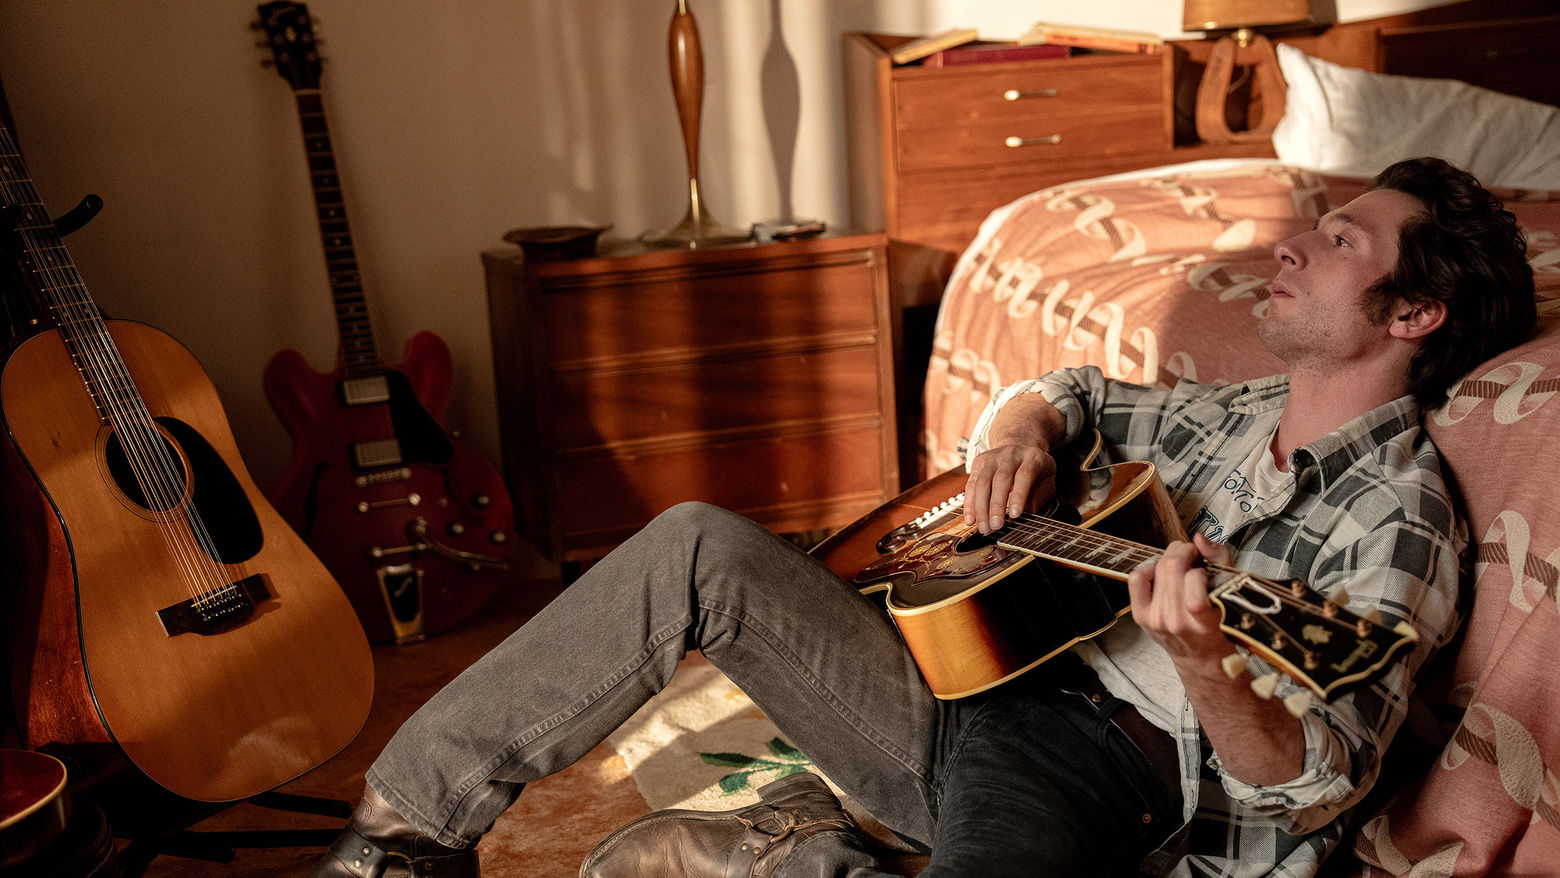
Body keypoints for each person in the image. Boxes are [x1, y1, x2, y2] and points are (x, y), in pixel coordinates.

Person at [307, 156, 1536, 878]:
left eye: (1337, 240)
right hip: (968, 681)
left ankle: (813, 850)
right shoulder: (1227, 406)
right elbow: (1065, 388)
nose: (1287, 249)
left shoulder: (1401, 517)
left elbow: (1314, 786)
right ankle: (400, 832)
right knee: (698, 542)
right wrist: (1019, 434)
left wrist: (1209, 664)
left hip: (1111, 773)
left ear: (1413, 313)